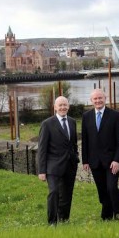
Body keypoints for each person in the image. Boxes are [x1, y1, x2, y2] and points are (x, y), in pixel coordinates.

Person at [82, 88, 119, 220]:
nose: (98, 100)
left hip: (112, 162)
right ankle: (106, 216)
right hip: (94, 161)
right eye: (95, 98)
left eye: (100, 98)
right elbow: (85, 140)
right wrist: (85, 161)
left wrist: (117, 160)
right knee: (102, 190)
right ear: (91, 100)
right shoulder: (86, 116)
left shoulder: (115, 115)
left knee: (112, 188)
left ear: (105, 98)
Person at [38, 96, 79, 225]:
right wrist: (41, 170)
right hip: (53, 166)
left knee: (67, 194)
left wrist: (75, 156)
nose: (63, 107)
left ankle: (64, 219)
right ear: (55, 107)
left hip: (70, 165)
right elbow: (42, 149)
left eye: (65, 105)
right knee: (54, 192)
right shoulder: (47, 124)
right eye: (60, 105)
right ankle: (52, 222)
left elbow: (73, 143)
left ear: (68, 107)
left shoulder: (72, 122)